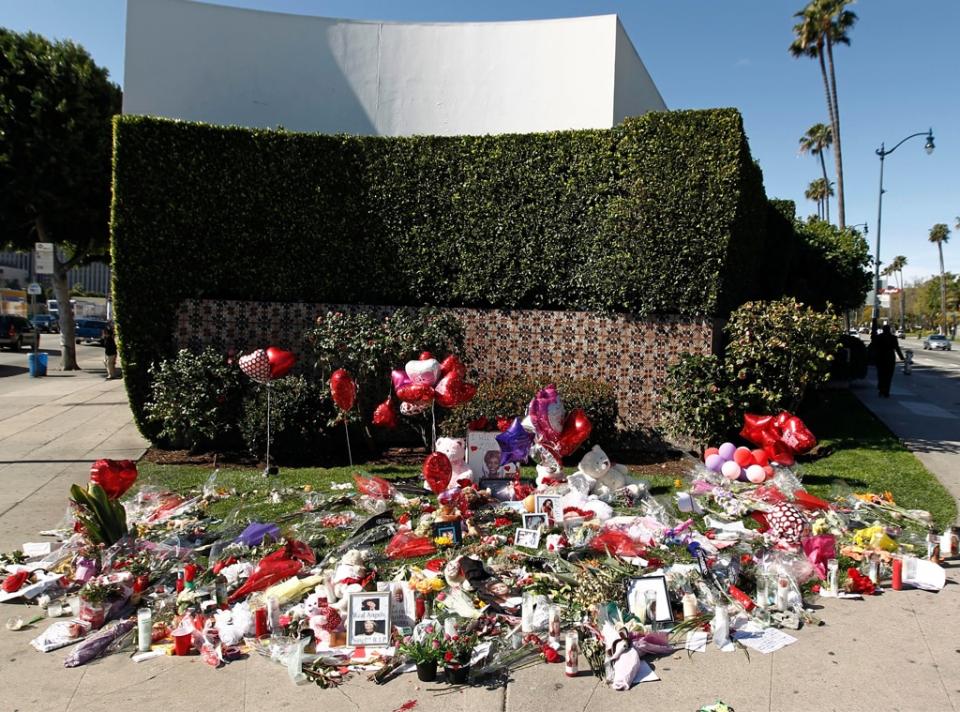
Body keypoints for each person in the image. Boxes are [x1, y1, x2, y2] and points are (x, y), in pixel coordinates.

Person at [871, 324, 904, 398]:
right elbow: (897, 348)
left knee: (881, 375)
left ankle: (882, 389)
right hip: (889, 359)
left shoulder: (879, 337)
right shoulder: (893, 338)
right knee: (888, 376)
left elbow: (875, 348)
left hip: (881, 359)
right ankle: (886, 391)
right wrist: (901, 357)